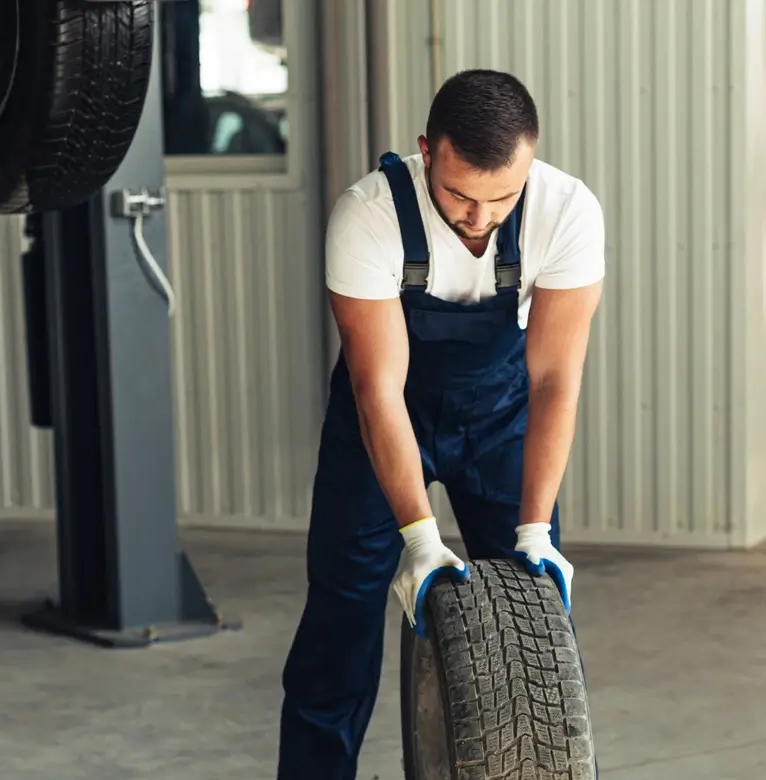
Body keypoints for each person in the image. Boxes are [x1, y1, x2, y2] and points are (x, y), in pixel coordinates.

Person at [276, 69, 605, 779]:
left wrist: (537, 530)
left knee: (539, 625)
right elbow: (378, 389)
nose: (480, 217)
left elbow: (554, 379)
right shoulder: (368, 214)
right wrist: (420, 539)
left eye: (501, 196)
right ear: (428, 151)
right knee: (339, 629)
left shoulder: (566, 209)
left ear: (530, 162)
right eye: (459, 195)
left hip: (502, 417)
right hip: (387, 418)